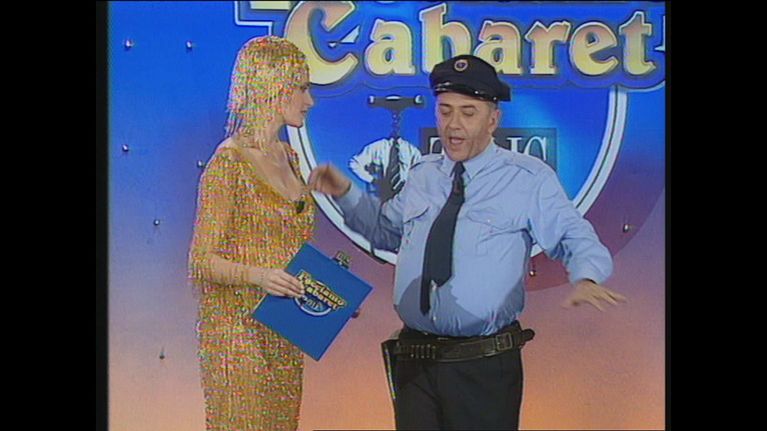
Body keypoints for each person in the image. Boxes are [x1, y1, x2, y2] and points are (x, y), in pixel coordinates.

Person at [308, 54, 626, 430]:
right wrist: (345, 193)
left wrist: (586, 276)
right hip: (415, 364)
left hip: (483, 369)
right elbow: (385, 232)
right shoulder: (423, 174)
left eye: (468, 113)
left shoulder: (527, 178)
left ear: (493, 120)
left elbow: (572, 234)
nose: (453, 125)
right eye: (445, 111)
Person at [188, 35, 315, 431]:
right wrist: (258, 276)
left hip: (284, 330)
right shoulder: (228, 164)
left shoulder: (289, 156)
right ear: (274, 89)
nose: (309, 101)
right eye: (302, 89)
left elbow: (287, 241)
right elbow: (200, 261)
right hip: (236, 334)